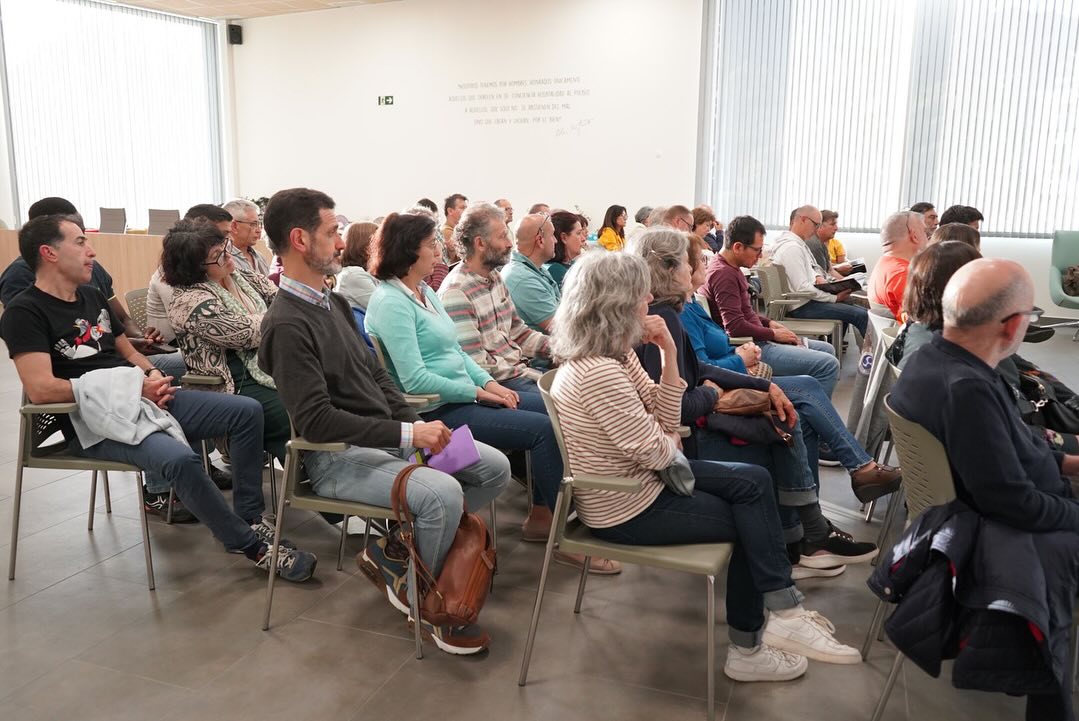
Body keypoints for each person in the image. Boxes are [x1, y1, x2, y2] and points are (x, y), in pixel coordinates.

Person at [550, 249, 862, 681]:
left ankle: (783, 616)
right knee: (751, 519)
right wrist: (666, 431)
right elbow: (661, 449)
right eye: (641, 294)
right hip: (626, 506)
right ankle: (751, 647)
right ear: (617, 304)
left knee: (756, 481)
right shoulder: (598, 372)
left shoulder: (617, 355)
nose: (649, 300)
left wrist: (667, 352)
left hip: (645, 481)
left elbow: (666, 415)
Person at [257, 188, 511, 655]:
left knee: (492, 467)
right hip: (336, 458)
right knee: (443, 493)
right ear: (299, 239)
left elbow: (377, 375)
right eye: (332, 232)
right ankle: (426, 599)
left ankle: (400, 555)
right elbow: (317, 422)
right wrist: (410, 432)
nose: (341, 242)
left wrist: (413, 428)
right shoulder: (287, 323)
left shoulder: (331, 303)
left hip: (384, 441)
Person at [1, 214, 317, 580]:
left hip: (137, 398)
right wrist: (134, 387)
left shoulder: (90, 296)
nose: (92, 251)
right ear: (49, 253)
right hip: (92, 419)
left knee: (246, 411)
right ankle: (252, 546)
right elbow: (41, 389)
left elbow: (127, 352)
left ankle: (248, 516)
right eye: (80, 242)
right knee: (180, 460)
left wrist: (151, 374)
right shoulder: (24, 312)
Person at [364, 210, 617, 575]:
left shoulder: (423, 292)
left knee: (556, 413)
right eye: (431, 244)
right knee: (546, 428)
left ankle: (558, 513)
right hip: (435, 410)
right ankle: (560, 533)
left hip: (463, 394)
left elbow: (456, 353)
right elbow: (414, 380)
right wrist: (477, 391)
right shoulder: (392, 302)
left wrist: (488, 383)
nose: (439, 250)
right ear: (408, 250)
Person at [890, 258, 1079, 721]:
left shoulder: (935, 358)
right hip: (1001, 530)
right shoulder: (967, 388)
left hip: (984, 511)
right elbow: (1014, 503)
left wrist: (1070, 462)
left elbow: (1007, 451)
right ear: (1013, 325)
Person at [633, 229, 880, 574]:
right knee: (788, 423)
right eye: (691, 262)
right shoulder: (664, 320)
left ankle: (806, 533)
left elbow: (698, 369)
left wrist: (759, 384)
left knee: (794, 409)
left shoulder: (671, 313)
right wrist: (718, 390)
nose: (695, 266)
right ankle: (804, 537)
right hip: (689, 440)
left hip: (702, 412)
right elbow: (679, 405)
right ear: (669, 269)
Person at [680, 237, 900, 507]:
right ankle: (857, 468)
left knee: (811, 388)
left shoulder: (692, 302)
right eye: (699, 260)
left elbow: (740, 321)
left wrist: (767, 327)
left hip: (744, 357)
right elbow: (707, 359)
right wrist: (745, 354)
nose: (707, 262)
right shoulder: (699, 297)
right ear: (682, 268)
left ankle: (845, 476)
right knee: (819, 373)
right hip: (736, 369)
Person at [162, 219, 289, 464]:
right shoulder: (189, 300)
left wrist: (284, 317)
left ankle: (312, 469)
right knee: (295, 411)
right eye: (217, 255)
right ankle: (310, 471)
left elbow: (285, 302)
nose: (228, 256)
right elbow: (246, 333)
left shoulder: (242, 277)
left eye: (225, 247)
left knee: (325, 395)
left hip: (270, 365)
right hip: (232, 382)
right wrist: (283, 319)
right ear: (195, 268)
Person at [703, 216, 840, 396]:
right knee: (828, 364)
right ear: (737, 247)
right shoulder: (724, 275)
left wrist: (769, 323)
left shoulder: (730, 268)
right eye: (757, 250)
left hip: (758, 338)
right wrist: (773, 334)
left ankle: (809, 402)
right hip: (753, 346)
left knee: (827, 349)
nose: (760, 256)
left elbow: (742, 312)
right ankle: (809, 408)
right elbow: (734, 327)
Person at [438, 202, 550, 391]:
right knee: (564, 403)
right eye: (502, 236)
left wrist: (563, 349)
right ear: (480, 243)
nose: (509, 243)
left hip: (520, 372)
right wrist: (532, 374)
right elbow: (477, 363)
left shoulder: (494, 276)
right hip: (500, 385)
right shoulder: (457, 292)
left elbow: (519, 333)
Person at [767, 205, 868, 338]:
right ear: (803, 219)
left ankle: (845, 346)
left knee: (858, 309)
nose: (817, 229)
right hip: (802, 306)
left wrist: (818, 276)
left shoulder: (798, 244)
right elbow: (802, 287)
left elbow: (811, 268)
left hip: (805, 301)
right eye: (816, 225)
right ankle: (871, 352)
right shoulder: (792, 248)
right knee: (861, 315)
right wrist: (833, 298)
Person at [147, 204, 234, 344]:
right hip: (175, 344)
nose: (230, 239)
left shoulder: (219, 260)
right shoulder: (176, 271)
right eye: (223, 234)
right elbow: (212, 320)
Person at [500, 213, 561, 332]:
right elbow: (560, 329)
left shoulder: (535, 269)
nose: (556, 240)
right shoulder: (521, 278)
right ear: (540, 240)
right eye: (552, 235)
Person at [866, 210, 928, 320]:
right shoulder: (902, 273)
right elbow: (919, 321)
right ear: (914, 236)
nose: (928, 238)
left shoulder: (884, 265)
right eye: (925, 232)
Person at [334, 221, 380, 311]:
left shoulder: (357, 273)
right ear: (366, 245)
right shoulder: (354, 275)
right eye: (378, 241)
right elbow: (384, 307)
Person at [223, 198, 271, 276]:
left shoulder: (260, 257)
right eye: (253, 224)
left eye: (259, 224)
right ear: (234, 226)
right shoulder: (224, 260)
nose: (259, 230)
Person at [542, 209, 587, 289]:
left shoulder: (569, 264)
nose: (583, 239)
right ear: (564, 238)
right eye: (578, 233)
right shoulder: (556, 270)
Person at [441, 193, 468, 262]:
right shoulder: (447, 231)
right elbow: (461, 259)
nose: (466, 211)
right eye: (462, 208)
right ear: (450, 211)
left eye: (466, 208)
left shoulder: (459, 231)